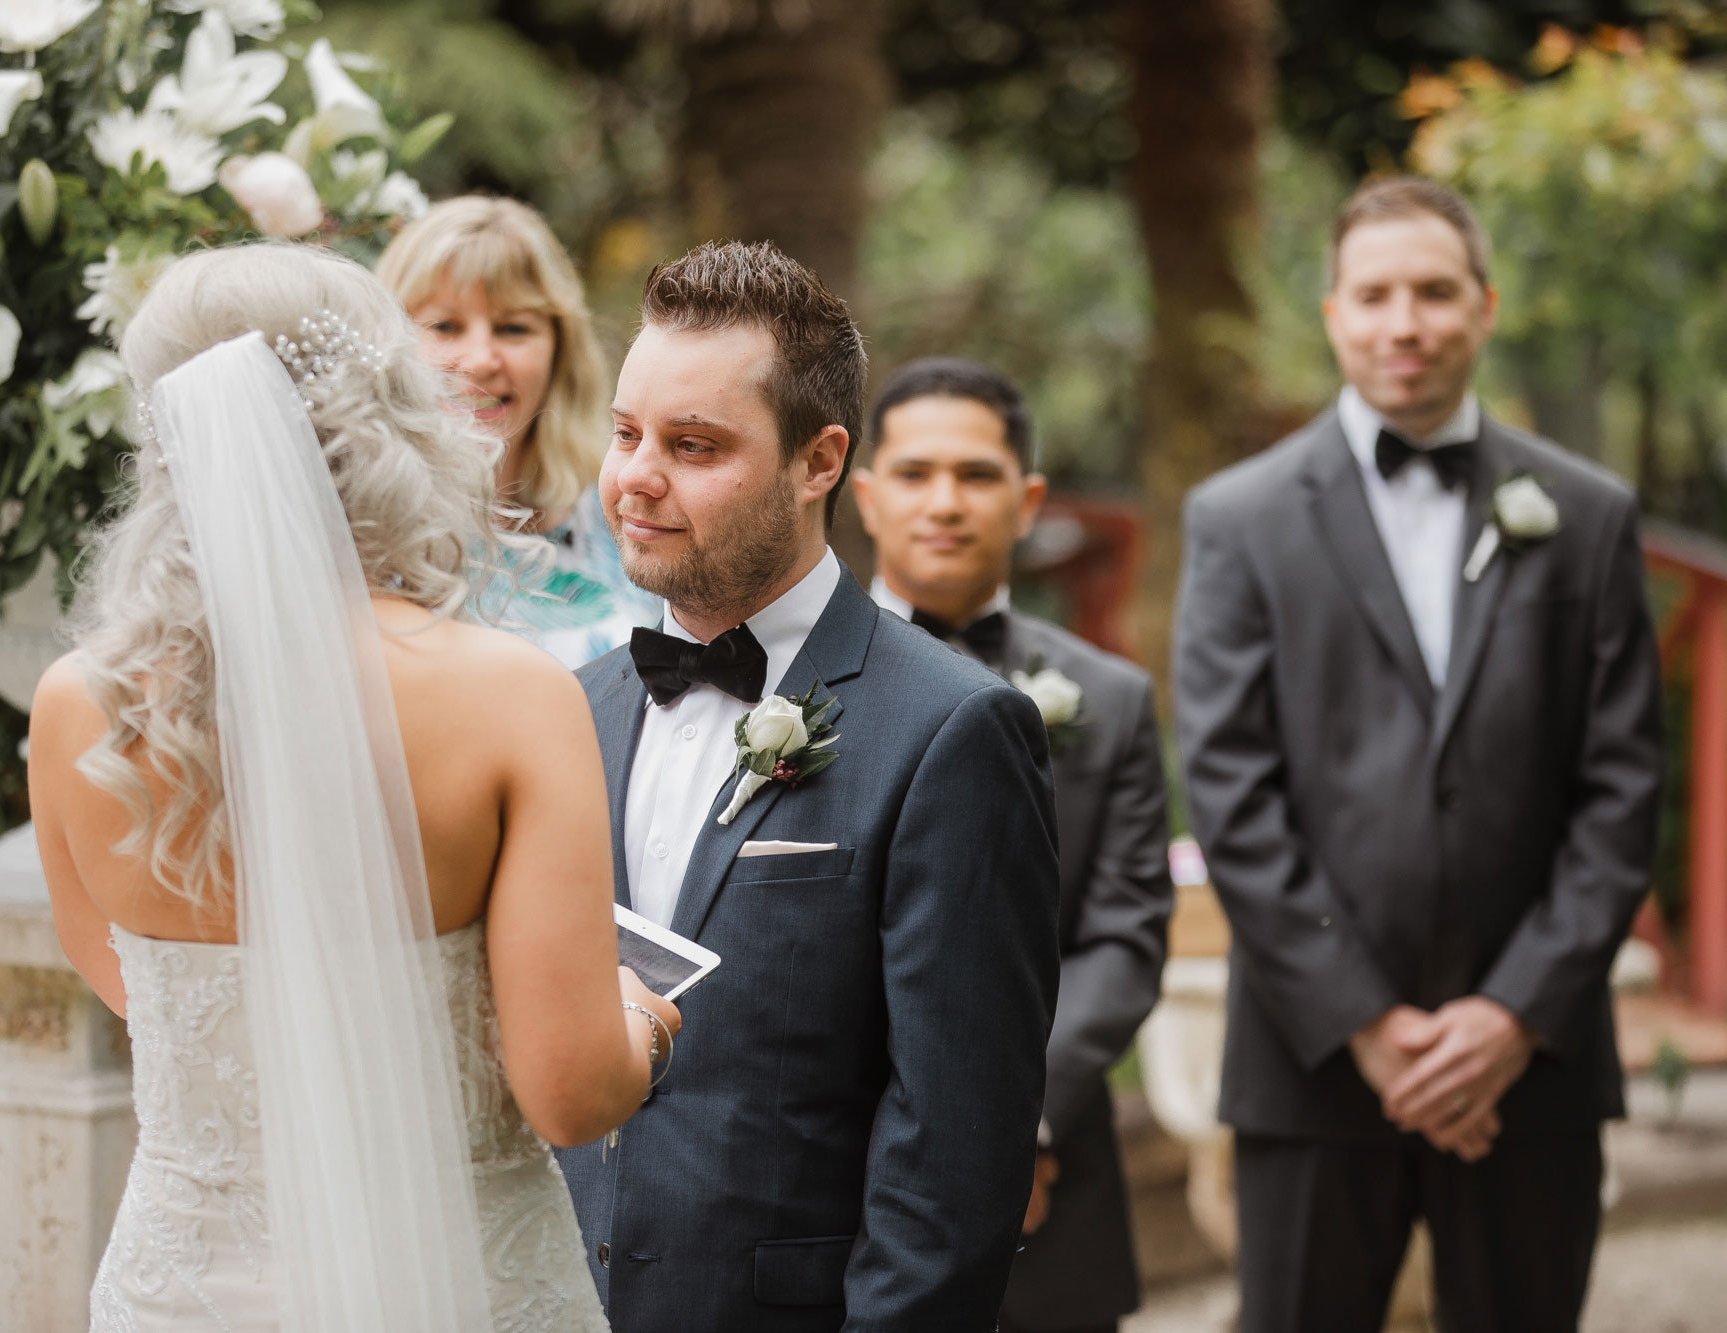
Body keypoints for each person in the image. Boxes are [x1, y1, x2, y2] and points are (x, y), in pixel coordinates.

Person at [27, 243, 681, 1331]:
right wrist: (637, 1016)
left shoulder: (74, 705)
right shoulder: (508, 694)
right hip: (465, 1279)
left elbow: (135, 986)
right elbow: (568, 1091)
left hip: (186, 1289)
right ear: (390, 423)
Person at [1174, 176, 1663, 1332]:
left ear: (1484, 307)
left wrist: (1509, 1015)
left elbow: (1621, 784)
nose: (1405, 323)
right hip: (1313, 1060)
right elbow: (1230, 790)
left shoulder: (1585, 515)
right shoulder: (1237, 517)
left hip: (1526, 1069)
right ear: (1334, 312)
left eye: (1434, 292)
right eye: (1376, 294)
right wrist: (1368, 1028)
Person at [555, 241, 1063, 1332]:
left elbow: (953, 1157)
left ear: (818, 460)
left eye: (692, 445)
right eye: (626, 432)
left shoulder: (952, 729)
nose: (636, 476)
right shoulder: (568, 709)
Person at [852, 357, 1172, 1333]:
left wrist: (1014, 1121)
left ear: (1026, 498)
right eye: (912, 473)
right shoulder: (786, 683)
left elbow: (1122, 938)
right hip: (837, 1180)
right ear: (861, 492)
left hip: (1052, 1177)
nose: (942, 502)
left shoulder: (1108, 702)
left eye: (975, 474)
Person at [377, 195, 656, 667]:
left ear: (559, 350)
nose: (482, 359)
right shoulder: (365, 543)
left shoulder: (634, 520)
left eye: (512, 328)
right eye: (445, 326)